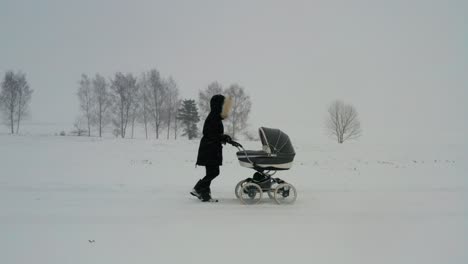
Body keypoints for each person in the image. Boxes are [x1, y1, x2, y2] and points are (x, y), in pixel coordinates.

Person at [190, 94, 241, 202]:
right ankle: (197, 188)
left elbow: (215, 134)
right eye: (223, 105)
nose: (225, 107)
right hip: (209, 149)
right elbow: (209, 133)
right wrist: (223, 137)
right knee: (214, 172)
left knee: (210, 173)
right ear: (218, 105)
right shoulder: (213, 117)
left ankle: (205, 195)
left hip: (210, 148)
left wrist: (226, 138)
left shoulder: (215, 117)